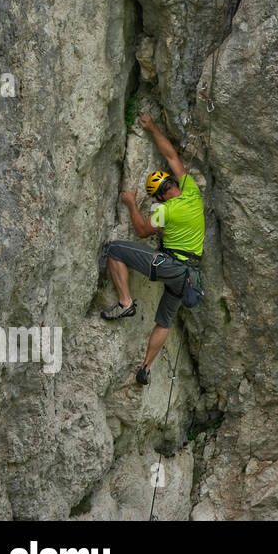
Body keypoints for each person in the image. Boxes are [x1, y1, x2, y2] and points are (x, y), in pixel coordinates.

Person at [100, 113, 205, 385]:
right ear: (173, 183)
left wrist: (132, 203)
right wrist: (152, 127)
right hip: (190, 276)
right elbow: (172, 157)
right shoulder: (192, 193)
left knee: (114, 249)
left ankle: (125, 303)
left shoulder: (165, 211)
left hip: (173, 266)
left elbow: (143, 230)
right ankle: (145, 368)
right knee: (165, 320)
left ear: (158, 196)